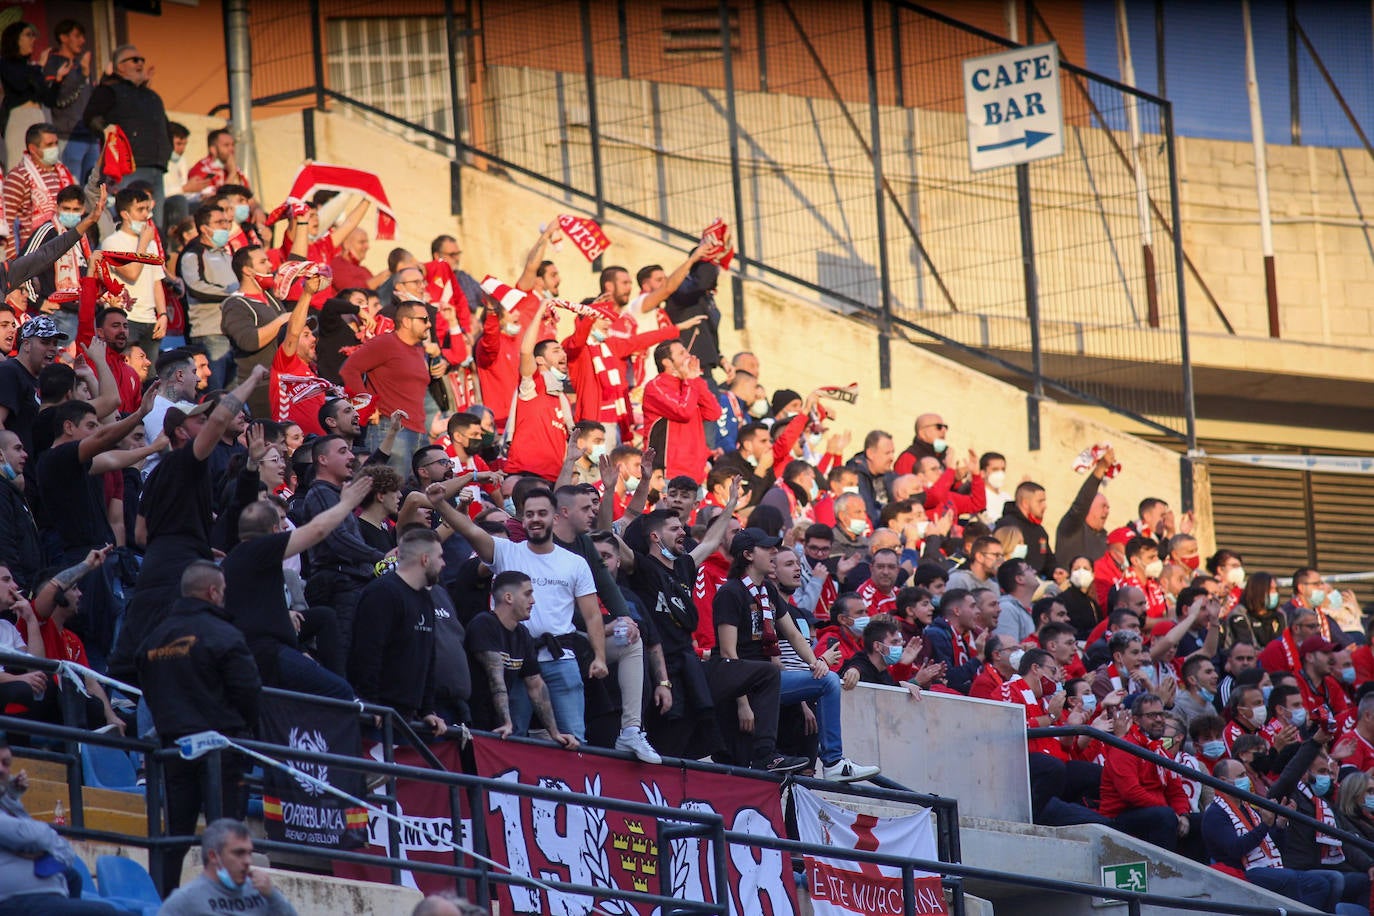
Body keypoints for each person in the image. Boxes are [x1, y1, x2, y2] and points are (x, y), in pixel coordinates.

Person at [137, 561, 261, 896]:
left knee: (176, 832)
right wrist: (244, 727)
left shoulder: (155, 636)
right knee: (227, 835)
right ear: (213, 592)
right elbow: (249, 692)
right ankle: (227, 902)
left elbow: (147, 687)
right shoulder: (225, 634)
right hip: (222, 746)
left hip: (173, 746)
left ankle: (163, 900)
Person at [224, 476, 372, 699]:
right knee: (342, 693)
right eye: (283, 523)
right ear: (274, 530)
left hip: (259, 650)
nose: (287, 527)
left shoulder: (235, 558)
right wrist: (346, 504)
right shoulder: (260, 548)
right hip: (268, 652)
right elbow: (317, 530)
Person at [0, 738, 121, 916]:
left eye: (6, 763)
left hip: (40, 897)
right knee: (107, 912)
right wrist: (44, 841)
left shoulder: (7, 802)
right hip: (14, 901)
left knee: (74, 878)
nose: (2, 769)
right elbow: (36, 836)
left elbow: (66, 852)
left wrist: (12, 797)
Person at [347, 528, 449, 735]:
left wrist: (427, 709)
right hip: (378, 715)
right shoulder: (382, 593)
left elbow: (429, 656)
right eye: (440, 556)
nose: (444, 563)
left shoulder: (425, 599)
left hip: (408, 715)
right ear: (425, 559)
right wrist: (371, 703)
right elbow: (367, 653)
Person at [1204, 758, 1340, 911]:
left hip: (1267, 869)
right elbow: (1235, 850)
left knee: (1331, 880)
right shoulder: (1215, 814)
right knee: (1288, 878)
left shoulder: (1248, 807)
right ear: (1224, 781)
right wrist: (1265, 825)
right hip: (1241, 873)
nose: (1247, 780)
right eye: (1241, 775)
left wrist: (1280, 825)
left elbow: (1270, 847)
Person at [464, 570, 578, 747]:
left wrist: (554, 733)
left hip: (499, 730)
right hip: (474, 724)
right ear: (509, 597)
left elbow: (535, 685)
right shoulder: (484, 624)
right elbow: (496, 679)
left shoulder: (522, 634)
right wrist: (507, 723)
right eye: (527, 594)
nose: (532, 601)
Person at [299, 434, 383, 654]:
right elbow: (338, 539)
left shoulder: (337, 496)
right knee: (344, 651)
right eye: (343, 451)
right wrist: (379, 557)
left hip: (351, 582)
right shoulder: (320, 493)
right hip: (338, 583)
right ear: (323, 460)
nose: (352, 457)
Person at [339, 298, 431, 473]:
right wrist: (368, 405)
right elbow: (349, 370)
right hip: (390, 429)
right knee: (390, 490)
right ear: (406, 321)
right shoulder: (385, 343)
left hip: (419, 430)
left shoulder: (419, 349)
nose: (429, 325)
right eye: (424, 319)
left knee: (418, 494)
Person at [83, 44, 172, 222]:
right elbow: (91, 117)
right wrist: (105, 129)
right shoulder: (109, 90)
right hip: (129, 167)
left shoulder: (152, 95)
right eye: (134, 60)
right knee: (131, 219)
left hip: (156, 167)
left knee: (155, 222)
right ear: (119, 66)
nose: (140, 63)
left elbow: (165, 126)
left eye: (142, 60)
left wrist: (166, 151)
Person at [1099, 692, 1193, 852]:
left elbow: (1176, 790)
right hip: (1121, 816)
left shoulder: (1160, 750)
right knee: (1164, 817)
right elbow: (1131, 793)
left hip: (1156, 811)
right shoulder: (1124, 747)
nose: (1159, 719)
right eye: (1151, 715)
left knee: (1200, 822)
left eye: (1161, 714)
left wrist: (1183, 814)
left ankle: (1195, 874)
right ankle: (1163, 872)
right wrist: (1170, 812)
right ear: (1136, 719)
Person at [221, 247, 310, 416]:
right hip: (261, 387)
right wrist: (281, 320)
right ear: (247, 270)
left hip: (285, 380)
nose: (270, 265)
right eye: (263, 262)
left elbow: (294, 266)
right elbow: (249, 341)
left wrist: (302, 223)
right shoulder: (235, 304)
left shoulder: (269, 295)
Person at [157, 818, 298, 916]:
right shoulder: (184, 901)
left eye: (249, 853)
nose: (248, 861)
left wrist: (272, 895)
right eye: (239, 853)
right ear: (213, 856)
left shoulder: (260, 892)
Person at [505, 300, 573, 483]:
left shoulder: (560, 394)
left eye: (563, 351)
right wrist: (540, 309)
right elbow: (526, 351)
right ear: (540, 360)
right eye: (557, 351)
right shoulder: (534, 383)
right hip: (526, 475)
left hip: (554, 479)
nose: (563, 355)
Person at [102, 184, 168, 360]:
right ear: (125, 214)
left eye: (147, 209)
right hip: (126, 318)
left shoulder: (150, 243)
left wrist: (162, 314)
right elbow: (131, 273)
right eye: (140, 209)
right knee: (125, 369)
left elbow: (156, 282)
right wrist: (143, 245)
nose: (146, 214)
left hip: (149, 320)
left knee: (150, 376)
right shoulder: (112, 243)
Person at [642, 338, 722, 483]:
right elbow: (682, 412)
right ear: (666, 362)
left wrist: (696, 380)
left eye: (686, 351)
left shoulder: (690, 383)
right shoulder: (655, 387)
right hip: (668, 473)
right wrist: (690, 381)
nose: (688, 356)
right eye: (681, 353)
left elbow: (714, 412)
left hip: (696, 472)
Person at [3, 123, 74, 259]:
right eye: (49, 145)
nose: (54, 148)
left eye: (56, 143)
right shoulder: (19, 176)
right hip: (34, 253)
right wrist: (14, 264)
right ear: (33, 149)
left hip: (64, 248)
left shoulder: (62, 172)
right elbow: (7, 222)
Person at [46, 21, 98, 180]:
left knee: (91, 192)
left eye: (83, 37)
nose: (82, 41)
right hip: (68, 136)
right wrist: (82, 76)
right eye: (77, 36)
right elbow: (58, 100)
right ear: (63, 37)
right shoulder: (53, 63)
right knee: (71, 189)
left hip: (90, 136)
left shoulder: (80, 65)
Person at [1054, 447, 1114, 564]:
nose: (1107, 512)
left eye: (1108, 508)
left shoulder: (1105, 539)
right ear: (1089, 507)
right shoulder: (1071, 529)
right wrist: (1100, 468)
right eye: (1103, 506)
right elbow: (1082, 502)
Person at [995, 481, 1056, 579]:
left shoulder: (1040, 531)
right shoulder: (1008, 525)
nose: (1045, 506)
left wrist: (1055, 571)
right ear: (1025, 503)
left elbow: (1047, 559)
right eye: (1040, 501)